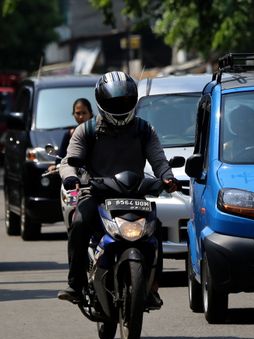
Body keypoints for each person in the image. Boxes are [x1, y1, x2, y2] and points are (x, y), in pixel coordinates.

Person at [57, 71, 177, 308]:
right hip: (95, 193)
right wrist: (71, 178)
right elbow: (69, 161)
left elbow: (159, 160)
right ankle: (76, 284)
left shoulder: (144, 130)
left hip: (133, 194)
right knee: (80, 223)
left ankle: (152, 288)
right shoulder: (86, 130)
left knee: (155, 231)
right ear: (101, 102)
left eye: (124, 101)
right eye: (114, 102)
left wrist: (167, 177)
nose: (120, 106)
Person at [47, 99, 93, 172]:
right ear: (73, 114)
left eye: (84, 113)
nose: (81, 117)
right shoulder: (70, 134)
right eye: (78, 113)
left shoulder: (97, 132)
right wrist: (56, 166)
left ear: (90, 114)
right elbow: (61, 157)